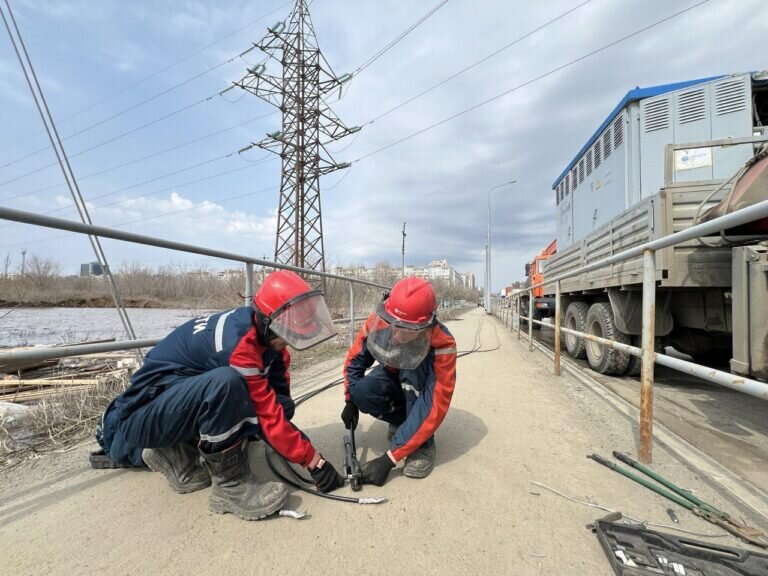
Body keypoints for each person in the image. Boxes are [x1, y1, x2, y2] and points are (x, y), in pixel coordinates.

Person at [97, 270, 346, 520]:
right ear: (267, 322)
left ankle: (178, 452)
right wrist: (313, 461)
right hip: (141, 417)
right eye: (287, 335)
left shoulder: (265, 338)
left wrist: (290, 441)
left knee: (282, 405)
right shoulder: (238, 346)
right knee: (227, 383)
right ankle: (229, 485)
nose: (290, 341)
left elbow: (277, 404)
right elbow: (266, 415)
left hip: (171, 405)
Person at [341, 276, 457, 486]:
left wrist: (390, 458)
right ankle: (403, 424)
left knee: (412, 377)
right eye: (392, 324)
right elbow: (355, 361)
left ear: (424, 327)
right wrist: (351, 400)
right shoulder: (381, 320)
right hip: (393, 378)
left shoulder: (443, 345)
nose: (395, 333)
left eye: (404, 329)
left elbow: (434, 404)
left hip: (417, 387)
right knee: (363, 390)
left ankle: (423, 444)